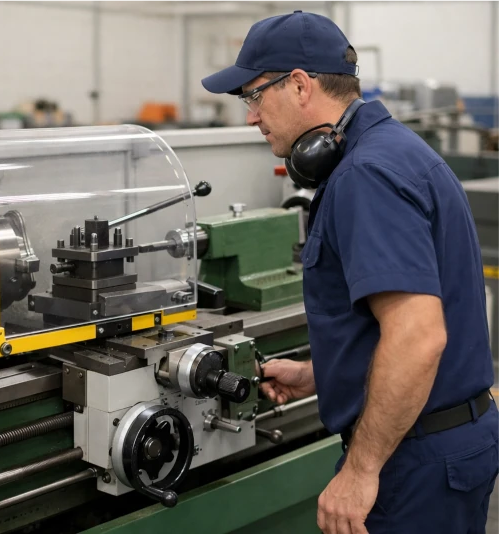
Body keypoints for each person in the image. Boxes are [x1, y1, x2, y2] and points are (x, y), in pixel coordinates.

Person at [202, 10, 499, 534]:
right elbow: (403, 327)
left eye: (253, 97)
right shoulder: (397, 153)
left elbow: (418, 336)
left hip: (412, 462)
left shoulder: (366, 175)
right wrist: (321, 374)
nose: (250, 116)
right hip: (446, 441)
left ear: (298, 85)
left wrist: (361, 471)